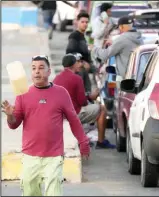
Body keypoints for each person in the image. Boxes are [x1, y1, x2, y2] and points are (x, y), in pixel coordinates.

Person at [1, 55, 90, 196]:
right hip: (30, 156)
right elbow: (14, 125)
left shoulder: (61, 93)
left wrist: (83, 142)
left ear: (49, 72)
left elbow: (74, 120)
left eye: (41, 68)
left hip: (54, 157)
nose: (37, 71)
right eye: (34, 68)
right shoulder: (23, 95)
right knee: (30, 193)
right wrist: (10, 115)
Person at [53, 53, 116, 149]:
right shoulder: (76, 79)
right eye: (78, 62)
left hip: (60, 114)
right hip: (73, 113)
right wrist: (91, 97)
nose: (81, 64)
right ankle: (101, 141)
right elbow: (83, 102)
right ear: (73, 64)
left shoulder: (56, 78)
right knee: (102, 109)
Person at [66, 12, 97, 93]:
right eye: (82, 22)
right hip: (78, 70)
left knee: (87, 92)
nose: (85, 24)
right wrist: (82, 62)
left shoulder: (82, 35)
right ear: (77, 22)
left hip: (84, 69)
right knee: (80, 93)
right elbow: (70, 52)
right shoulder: (74, 36)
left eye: (86, 22)